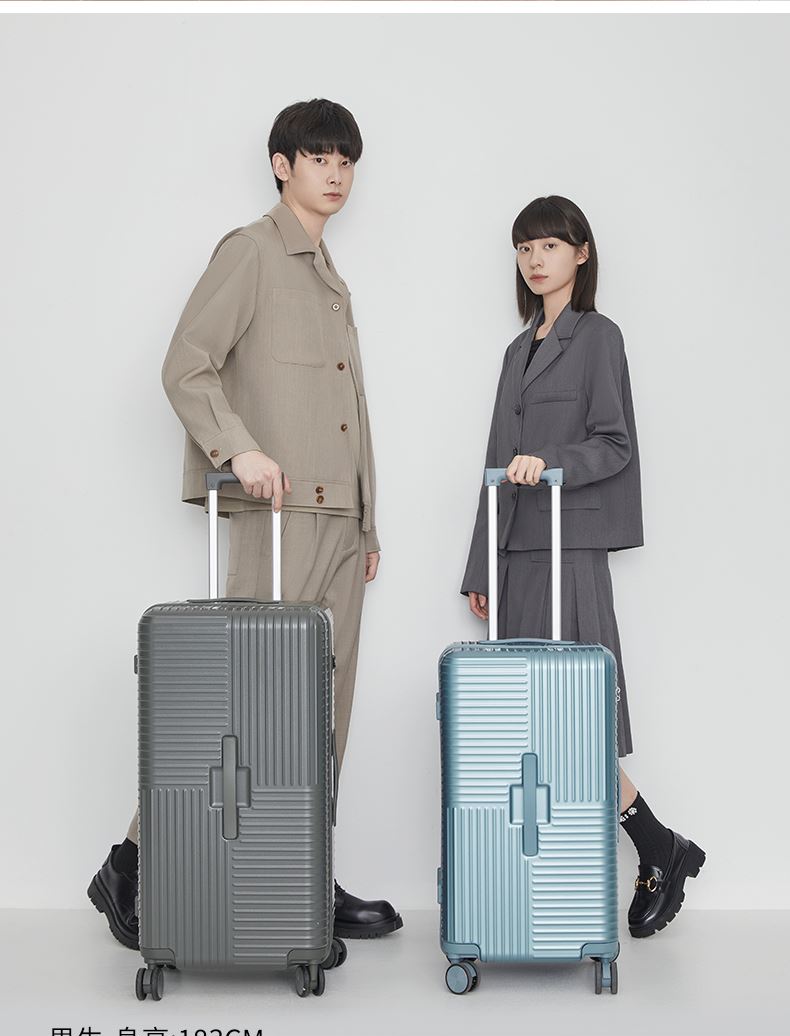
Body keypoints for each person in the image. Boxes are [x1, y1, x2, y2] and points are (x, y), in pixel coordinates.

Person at [88, 98, 403, 949]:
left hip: (340, 525)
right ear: (281, 165)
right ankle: (131, 863)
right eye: (319, 157)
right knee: (244, 702)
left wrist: (369, 523)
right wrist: (241, 448)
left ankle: (304, 867)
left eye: (346, 160)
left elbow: (348, 404)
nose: (335, 173)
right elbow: (185, 365)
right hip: (278, 517)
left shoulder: (327, 272)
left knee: (323, 710)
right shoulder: (252, 252)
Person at [460, 195, 706, 938]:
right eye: (524, 248)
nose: (535, 260)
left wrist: (551, 460)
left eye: (549, 245)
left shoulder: (598, 336)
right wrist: (481, 568)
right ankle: (641, 850)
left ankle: (656, 847)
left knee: (575, 716)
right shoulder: (517, 351)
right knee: (530, 725)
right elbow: (494, 463)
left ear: (581, 253)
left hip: (570, 551)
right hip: (516, 555)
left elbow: (615, 443)